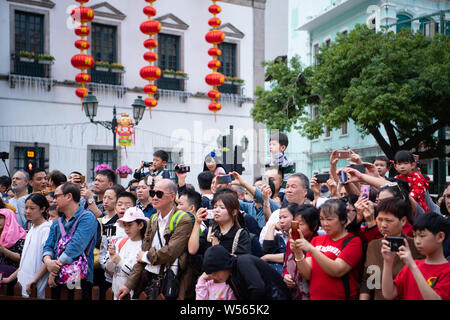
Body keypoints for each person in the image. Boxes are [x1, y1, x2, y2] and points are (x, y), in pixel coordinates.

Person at [116, 179, 194, 300]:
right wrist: (128, 285)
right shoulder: (153, 219)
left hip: (171, 279)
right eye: (152, 193)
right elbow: (140, 257)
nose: (154, 197)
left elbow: (171, 252)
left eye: (159, 194)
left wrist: (147, 256)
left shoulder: (183, 219)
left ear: (172, 196)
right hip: (150, 278)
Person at [291, 199, 363, 300]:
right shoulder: (317, 240)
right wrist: (298, 252)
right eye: (322, 219)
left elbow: (337, 270)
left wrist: (313, 250)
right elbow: (307, 274)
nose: (325, 223)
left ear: (342, 219)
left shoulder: (353, 241)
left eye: (329, 219)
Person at [359, 197, 424, 300]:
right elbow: (367, 282)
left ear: (403, 221)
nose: (383, 225)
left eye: (388, 220)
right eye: (379, 220)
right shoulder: (373, 245)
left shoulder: (416, 247)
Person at [42, 182, 98, 300]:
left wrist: (53, 270)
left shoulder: (87, 218)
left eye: (57, 196)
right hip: (58, 276)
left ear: (69, 196)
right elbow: (48, 246)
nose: (54, 200)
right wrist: (48, 262)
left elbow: (76, 247)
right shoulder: (57, 222)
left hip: (78, 277)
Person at [382, 212, 450, 300]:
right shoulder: (412, 265)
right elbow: (389, 294)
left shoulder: (447, 270)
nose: (417, 241)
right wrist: (388, 262)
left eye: (422, 236)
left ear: (440, 236)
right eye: (415, 236)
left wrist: (413, 266)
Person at [1, 193, 51, 298]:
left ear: (42, 209)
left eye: (32, 208)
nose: (27, 211)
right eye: (26, 208)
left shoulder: (46, 229)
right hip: (22, 283)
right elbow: (25, 260)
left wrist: (35, 280)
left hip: (35, 285)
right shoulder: (31, 229)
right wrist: (10, 278)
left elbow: (47, 261)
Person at [201, 245, 291, 300]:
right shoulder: (230, 275)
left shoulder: (243, 262)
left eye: (215, 273)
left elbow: (258, 288)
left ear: (223, 265)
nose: (214, 277)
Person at [188, 188, 252, 259]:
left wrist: (217, 248)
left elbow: (241, 261)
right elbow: (192, 250)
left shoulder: (241, 234)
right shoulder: (210, 232)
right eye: (215, 207)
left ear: (234, 212)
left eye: (222, 207)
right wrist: (197, 223)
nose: (216, 210)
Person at [106, 207, 148, 300]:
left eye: (130, 225)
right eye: (124, 225)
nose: (126, 229)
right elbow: (110, 269)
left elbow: (138, 274)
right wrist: (111, 256)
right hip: (115, 293)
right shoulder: (120, 242)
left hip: (133, 295)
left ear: (140, 225)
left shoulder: (144, 247)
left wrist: (119, 261)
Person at [282, 204, 320, 300]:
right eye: (295, 223)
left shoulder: (318, 243)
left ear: (314, 226)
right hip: (292, 293)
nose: (296, 227)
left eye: (301, 224)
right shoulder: (292, 241)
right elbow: (286, 264)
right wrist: (285, 276)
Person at [259, 173, 310, 244]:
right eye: (287, 187)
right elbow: (262, 240)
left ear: (305, 191)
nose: (288, 190)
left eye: (293, 187)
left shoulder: (309, 213)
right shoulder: (277, 213)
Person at [95, 184, 125, 300]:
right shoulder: (99, 220)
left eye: (110, 198)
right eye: (105, 197)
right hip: (101, 268)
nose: (105, 201)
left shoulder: (120, 222)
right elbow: (100, 245)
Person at [261, 203, 296, 275]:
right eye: (280, 218)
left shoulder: (300, 235)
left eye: (285, 217)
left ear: (295, 217)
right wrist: (272, 226)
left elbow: (292, 255)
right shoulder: (279, 236)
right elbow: (266, 250)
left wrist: (267, 257)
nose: (281, 221)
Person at [265, 132, 295, 201]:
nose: (270, 146)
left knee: (286, 198)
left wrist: (280, 196)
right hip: (269, 191)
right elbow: (265, 179)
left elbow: (287, 180)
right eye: (270, 144)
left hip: (284, 191)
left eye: (274, 144)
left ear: (283, 147)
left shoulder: (288, 162)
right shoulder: (267, 161)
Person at [0, 208, 26, 280]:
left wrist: (4, 250)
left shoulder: (20, 237)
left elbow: (23, 259)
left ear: (9, 219)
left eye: (1, 218)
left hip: (13, 275)